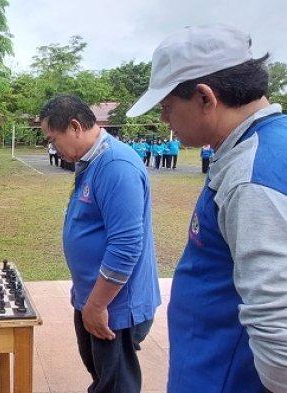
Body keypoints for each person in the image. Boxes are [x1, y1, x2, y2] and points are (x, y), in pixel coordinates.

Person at [126, 24, 287, 393]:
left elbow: (279, 341)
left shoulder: (252, 177)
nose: (165, 120)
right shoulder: (253, 150)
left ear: (205, 98)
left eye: (167, 107)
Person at [40, 94, 160, 393]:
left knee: (116, 385)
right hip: (94, 297)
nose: (53, 148)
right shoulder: (92, 160)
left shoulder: (116, 165)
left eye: (53, 139)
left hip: (112, 305)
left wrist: (96, 304)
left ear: (75, 126)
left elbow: (127, 245)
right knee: (103, 379)